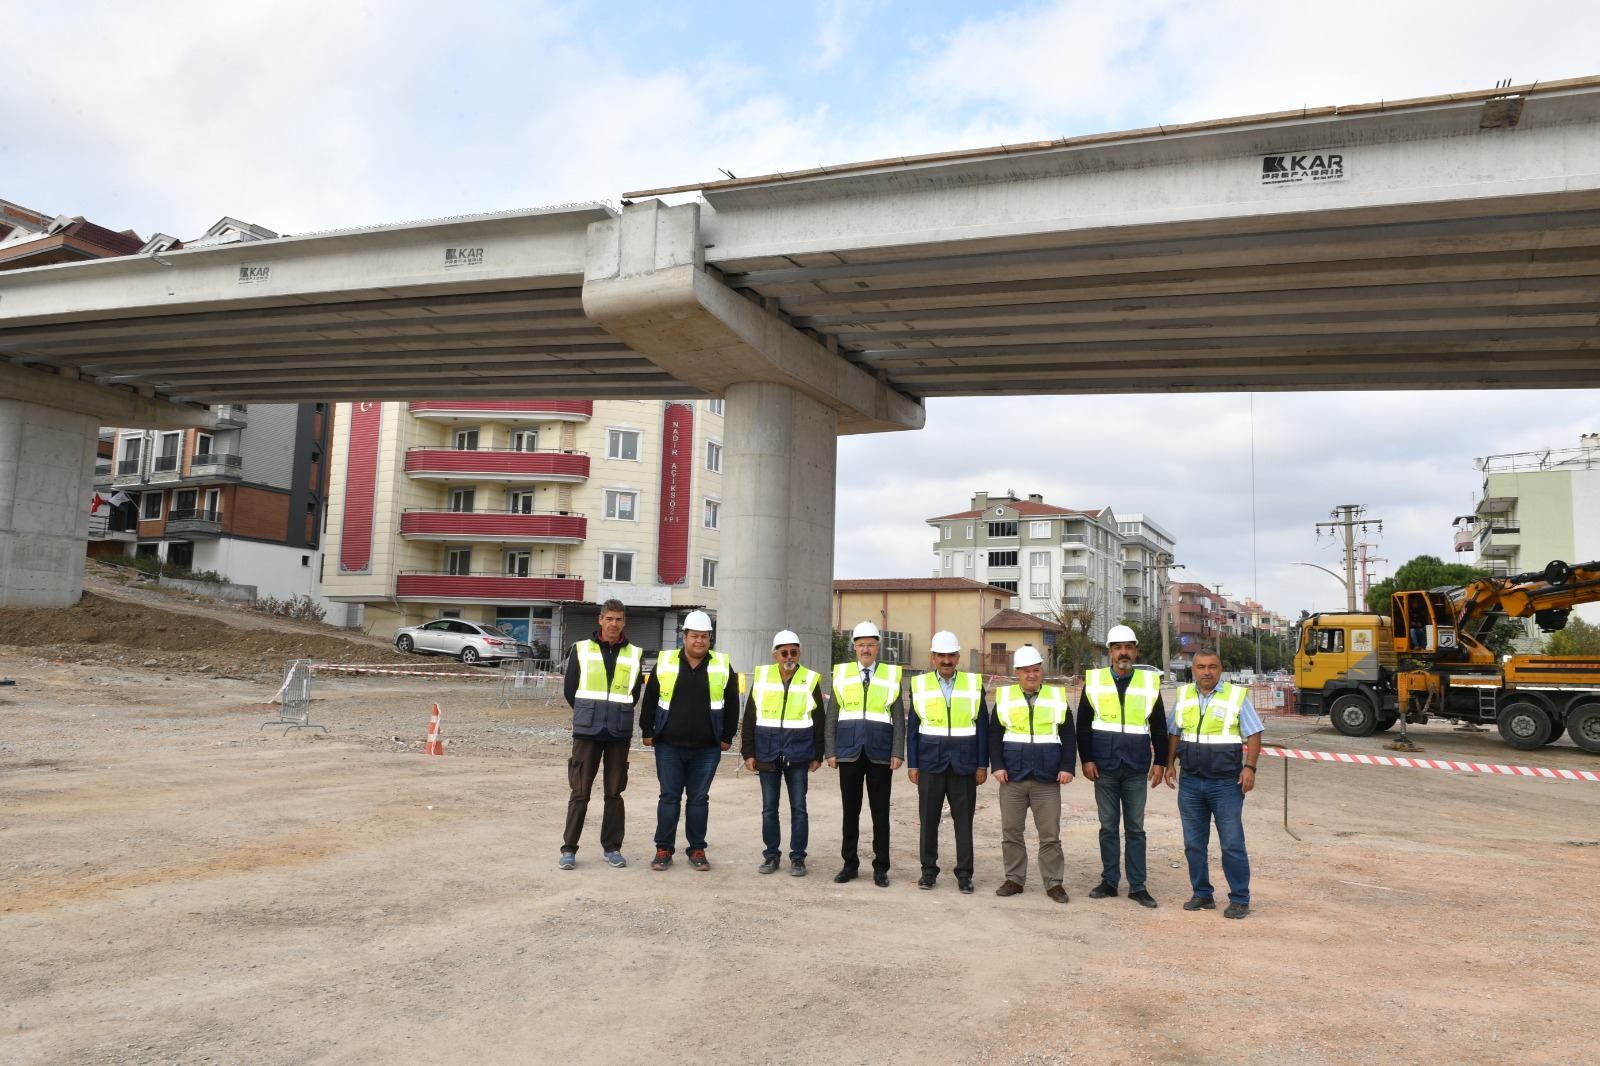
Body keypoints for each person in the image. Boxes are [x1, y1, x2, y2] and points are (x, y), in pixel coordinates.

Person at [1165, 647, 1264, 919]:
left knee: (1231, 843)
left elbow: (1254, 733)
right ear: (1193, 670)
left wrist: (1250, 768)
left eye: (1212, 667)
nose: (1206, 672)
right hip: (1190, 782)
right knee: (1194, 844)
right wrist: (1170, 764)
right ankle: (1202, 894)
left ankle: (1240, 898)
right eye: (1201, 667)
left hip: (1226, 784)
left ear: (1220, 670)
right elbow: (1174, 732)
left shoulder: (1235, 696)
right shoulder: (1184, 695)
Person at [1076, 623, 1169, 908]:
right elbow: (1083, 726)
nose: (1124, 653)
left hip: (1136, 766)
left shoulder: (1148, 683)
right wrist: (1087, 759)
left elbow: (1159, 727)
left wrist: (1161, 762)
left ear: (1135, 651)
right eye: (1118, 648)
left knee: (1136, 828)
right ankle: (1109, 881)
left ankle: (1138, 885)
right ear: (1110, 652)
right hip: (1103, 766)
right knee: (1107, 826)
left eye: (1128, 647)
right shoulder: (1094, 681)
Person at [640, 610, 740, 872]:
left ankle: (697, 849)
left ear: (710, 639)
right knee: (669, 798)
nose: (699, 641)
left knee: (698, 800)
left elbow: (732, 703)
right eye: (694, 636)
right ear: (684, 637)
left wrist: (727, 736)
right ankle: (664, 849)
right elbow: (650, 698)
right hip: (669, 745)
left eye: (704, 636)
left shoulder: (720, 664)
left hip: (707, 748)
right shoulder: (665, 662)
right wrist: (647, 731)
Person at [559, 598, 644, 871]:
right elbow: (570, 689)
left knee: (614, 793)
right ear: (600, 620)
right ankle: (569, 849)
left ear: (624, 622)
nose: (613, 624)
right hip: (587, 731)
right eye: (609, 619)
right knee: (580, 792)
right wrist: (589, 713)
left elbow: (634, 694)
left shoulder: (634, 653)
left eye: (618, 619)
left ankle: (612, 848)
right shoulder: (581, 650)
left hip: (618, 732)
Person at [990, 645, 1076, 901]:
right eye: (1026, 671)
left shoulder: (1056, 697)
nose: (1031, 675)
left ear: (1042, 671)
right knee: (1011, 832)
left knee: (1050, 835)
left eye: (1036, 670)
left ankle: (1053, 883)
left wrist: (1067, 767)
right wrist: (997, 766)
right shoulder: (1004, 698)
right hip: (1012, 777)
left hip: (1048, 778)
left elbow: (1068, 736)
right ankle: (1014, 879)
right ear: (1016, 673)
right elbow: (995, 735)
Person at [907, 630, 989, 893]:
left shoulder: (974, 684)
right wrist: (913, 764)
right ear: (932, 657)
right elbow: (914, 728)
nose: (946, 660)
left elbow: (982, 728)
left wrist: (981, 764)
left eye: (950, 655)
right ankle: (928, 871)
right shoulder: (919, 685)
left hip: (964, 764)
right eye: (941, 655)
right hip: (931, 763)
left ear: (958, 657)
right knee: (928, 820)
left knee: (964, 822)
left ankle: (964, 874)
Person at [826, 620, 905, 887]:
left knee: (880, 813)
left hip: (880, 753)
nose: (866, 649)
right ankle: (850, 864)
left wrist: (897, 751)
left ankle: (881, 867)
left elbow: (898, 718)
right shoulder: (843, 674)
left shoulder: (891, 675)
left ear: (878, 647)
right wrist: (830, 750)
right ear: (854, 647)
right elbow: (832, 716)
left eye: (871, 644)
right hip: (848, 751)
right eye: (861, 644)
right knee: (851, 812)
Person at [741, 629, 825, 877]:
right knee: (769, 809)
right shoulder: (763, 677)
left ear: (799, 654)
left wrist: (818, 754)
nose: (789, 656)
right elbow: (750, 717)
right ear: (775, 655)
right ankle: (771, 855)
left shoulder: (810, 679)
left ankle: (798, 857)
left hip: (799, 754)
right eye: (784, 652)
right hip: (767, 752)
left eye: (794, 652)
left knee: (799, 809)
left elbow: (818, 720)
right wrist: (748, 752)